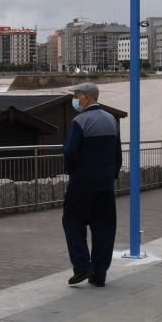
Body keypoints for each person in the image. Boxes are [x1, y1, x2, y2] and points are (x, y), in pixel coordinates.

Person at [62, 82, 122, 287]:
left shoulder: (80, 121)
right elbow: (117, 155)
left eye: (77, 95)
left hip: (82, 183)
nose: (75, 99)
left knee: (72, 223)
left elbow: (69, 151)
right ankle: (99, 275)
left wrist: (73, 172)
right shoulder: (112, 120)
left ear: (87, 97)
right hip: (105, 185)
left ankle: (82, 267)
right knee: (104, 228)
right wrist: (110, 175)